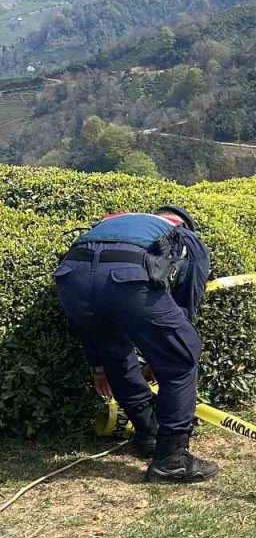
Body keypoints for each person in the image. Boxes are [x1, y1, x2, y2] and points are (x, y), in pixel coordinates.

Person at [53, 206, 218, 483]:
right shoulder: (186, 237)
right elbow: (185, 301)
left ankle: (148, 432)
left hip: (71, 276)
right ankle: (172, 460)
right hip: (127, 277)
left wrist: (98, 365)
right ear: (183, 224)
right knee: (182, 356)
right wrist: (163, 354)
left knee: (114, 352)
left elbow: (92, 304)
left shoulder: (114, 224)